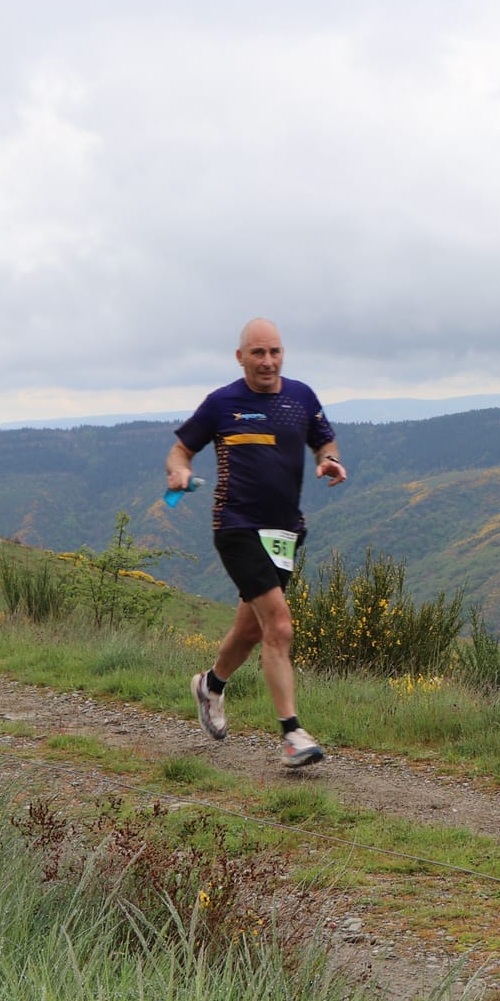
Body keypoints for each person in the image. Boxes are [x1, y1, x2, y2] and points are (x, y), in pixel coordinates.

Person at [166, 317, 347, 767]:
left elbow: (324, 441)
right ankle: (292, 735)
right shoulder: (222, 402)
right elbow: (181, 449)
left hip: (285, 532)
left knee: (251, 629)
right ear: (240, 356)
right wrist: (179, 470)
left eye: (275, 352)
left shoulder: (301, 397)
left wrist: (329, 462)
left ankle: (211, 685)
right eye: (258, 353)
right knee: (280, 627)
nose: (268, 361)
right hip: (237, 525)